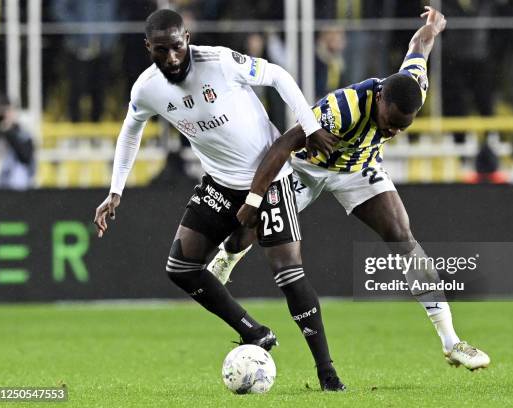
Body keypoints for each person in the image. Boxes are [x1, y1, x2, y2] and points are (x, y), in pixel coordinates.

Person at [208, 6, 490, 370]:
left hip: (359, 168)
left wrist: (433, 27)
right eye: (389, 124)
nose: (392, 132)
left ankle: (451, 341)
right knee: (245, 232)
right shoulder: (340, 109)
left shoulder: (413, 84)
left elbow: (418, 47)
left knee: (403, 236)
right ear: (380, 100)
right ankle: (227, 259)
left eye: (402, 128)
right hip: (307, 168)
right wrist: (255, 197)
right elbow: (282, 146)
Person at [93, 9, 345, 391]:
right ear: (149, 48)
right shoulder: (147, 88)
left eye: (177, 47)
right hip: (220, 185)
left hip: (270, 178)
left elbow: (277, 75)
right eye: (162, 51)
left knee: (289, 274)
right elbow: (131, 131)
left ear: (187, 38)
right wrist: (116, 190)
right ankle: (254, 332)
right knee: (180, 267)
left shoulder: (220, 62)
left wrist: (309, 126)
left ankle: (327, 373)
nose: (172, 58)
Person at [0, 92, 35, 190]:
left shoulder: (21, 133)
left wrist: (8, 131)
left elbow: (26, 158)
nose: (1, 116)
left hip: (16, 186)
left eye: (4, 111)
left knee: (19, 172)